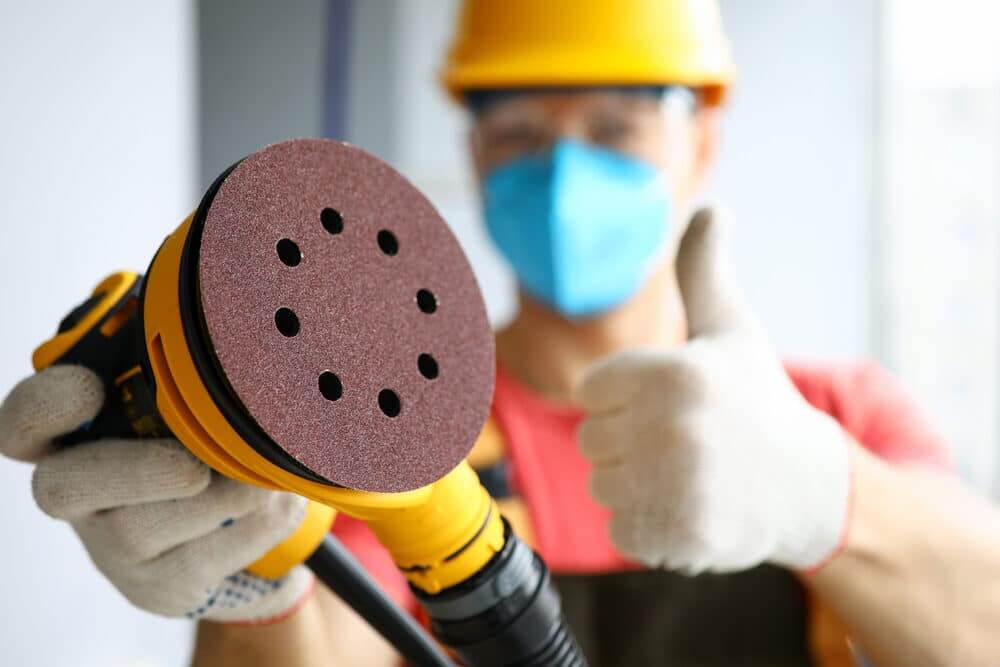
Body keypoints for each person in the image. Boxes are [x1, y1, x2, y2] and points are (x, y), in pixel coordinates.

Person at [1, 1, 999, 665]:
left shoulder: (839, 415)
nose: (563, 176)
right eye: (519, 134)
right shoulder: (377, 423)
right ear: (474, 154)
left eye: (614, 129)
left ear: (700, 141)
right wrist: (252, 590)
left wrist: (831, 496)